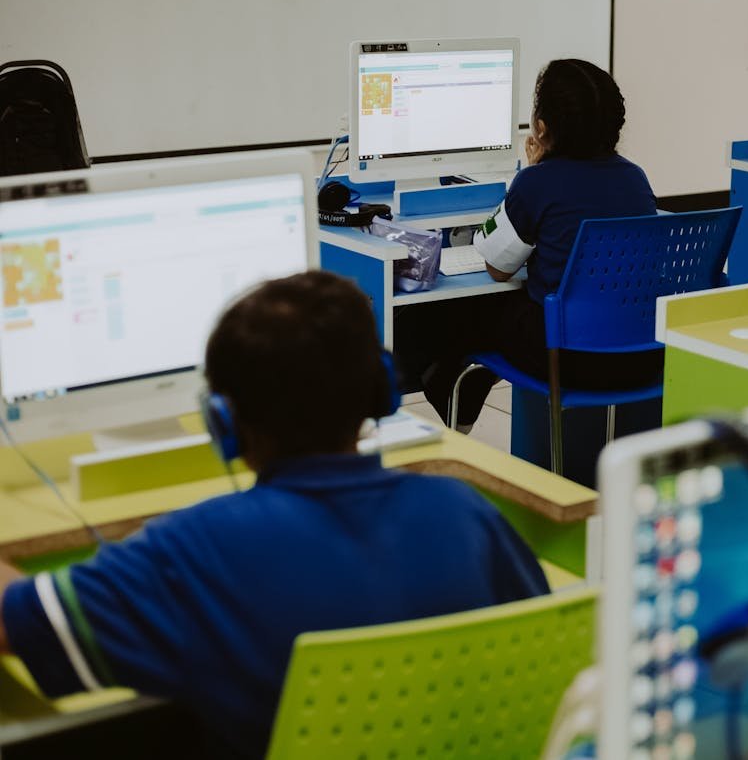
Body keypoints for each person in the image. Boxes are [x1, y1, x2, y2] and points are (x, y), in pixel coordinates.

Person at [0, 271, 549, 758]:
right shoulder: (461, 510)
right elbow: (540, 648)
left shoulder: (193, 549)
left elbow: (13, 623)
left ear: (224, 424)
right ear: (380, 393)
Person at [409, 58, 659, 431]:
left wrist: (528, 173)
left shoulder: (538, 182)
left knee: (455, 312)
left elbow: (497, 268)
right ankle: (462, 393)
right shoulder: (636, 179)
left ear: (541, 129)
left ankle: (455, 407)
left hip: (566, 357)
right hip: (640, 356)